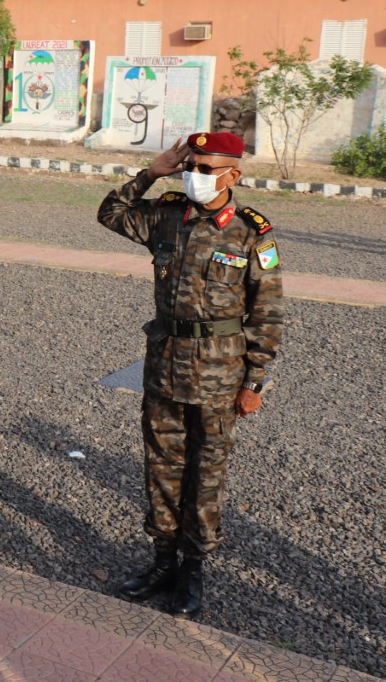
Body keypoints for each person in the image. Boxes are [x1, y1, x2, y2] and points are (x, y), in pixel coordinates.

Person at [98, 132, 284, 618]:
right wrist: (153, 172)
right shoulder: (167, 214)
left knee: (206, 474)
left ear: (233, 175)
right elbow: (110, 213)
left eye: (205, 169)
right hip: (164, 364)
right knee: (161, 466)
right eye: (191, 166)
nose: (194, 175)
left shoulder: (250, 231)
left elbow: (267, 314)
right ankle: (162, 562)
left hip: (220, 374)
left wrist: (254, 383)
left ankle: (194, 568)